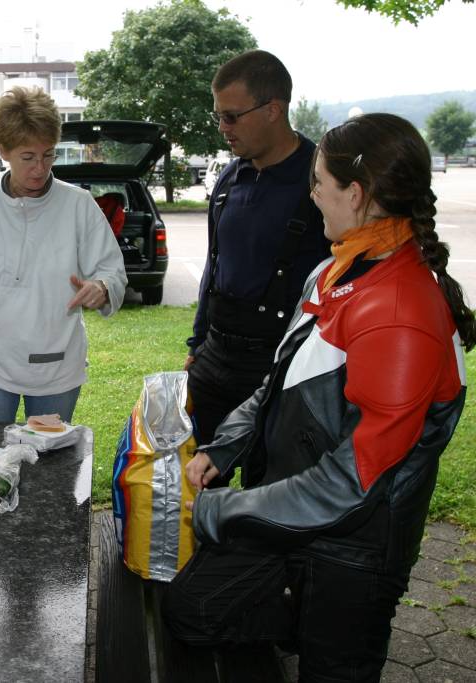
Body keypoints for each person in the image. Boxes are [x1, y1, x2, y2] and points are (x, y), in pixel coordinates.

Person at [163, 113, 474, 681]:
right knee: (192, 610)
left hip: (353, 545)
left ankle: (329, 625)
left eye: (318, 184)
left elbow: (355, 481)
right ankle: (300, 613)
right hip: (293, 508)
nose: (312, 197)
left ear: (355, 194)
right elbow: (279, 380)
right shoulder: (334, 270)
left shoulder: (400, 311)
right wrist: (226, 446)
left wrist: (222, 509)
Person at [0, 86, 126, 423]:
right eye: (28, 157)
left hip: (57, 366)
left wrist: (102, 288)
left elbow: (112, 272)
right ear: (2, 150)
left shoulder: (78, 206)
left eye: (48, 154)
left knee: (49, 466)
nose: (40, 168)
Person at [186, 50, 330, 449]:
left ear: (273, 110)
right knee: (191, 479)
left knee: (266, 490)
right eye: (217, 115)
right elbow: (214, 268)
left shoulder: (321, 181)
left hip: (283, 365)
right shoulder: (230, 178)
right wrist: (198, 346)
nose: (222, 127)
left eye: (231, 116)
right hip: (214, 357)